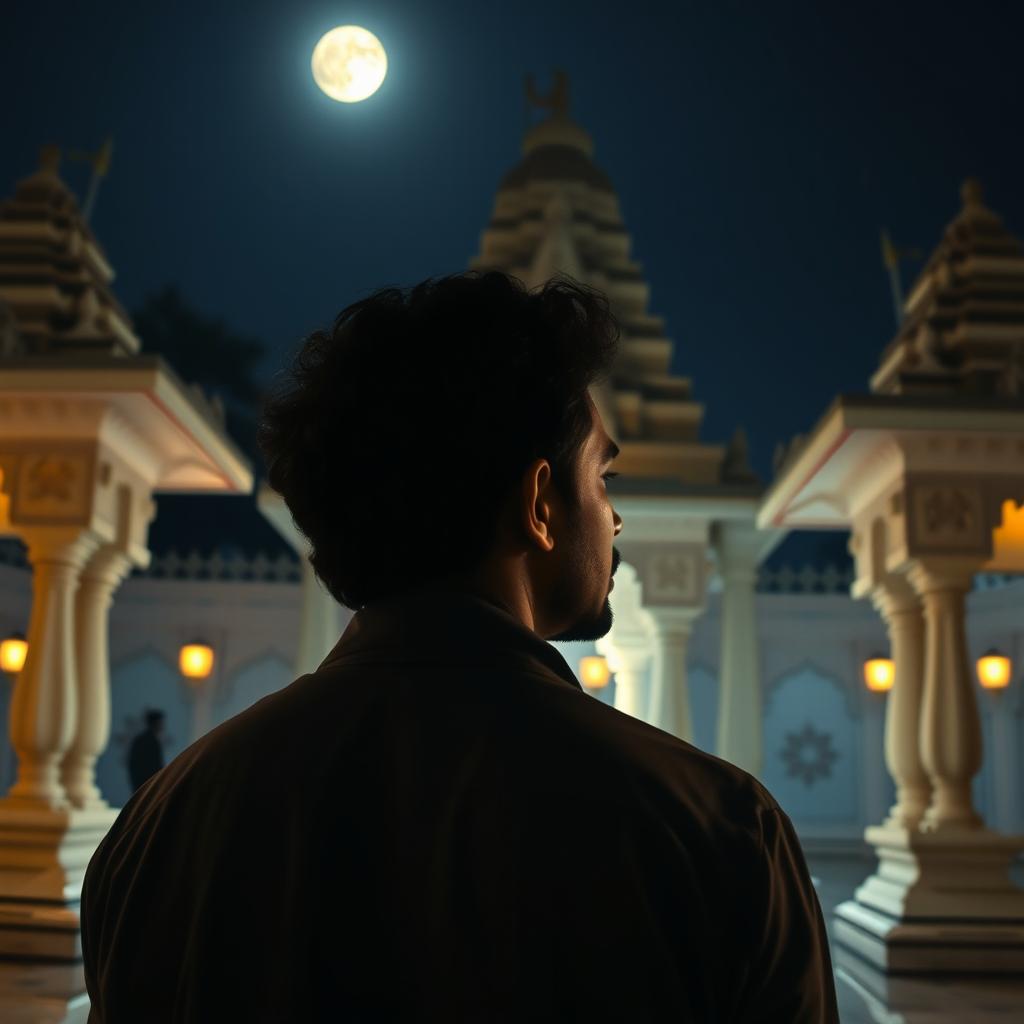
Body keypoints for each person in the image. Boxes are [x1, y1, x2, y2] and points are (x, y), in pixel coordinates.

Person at [81, 272, 838, 1022]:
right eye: (602, 478)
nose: (614, 521)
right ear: (541, 504)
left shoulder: (156, 830)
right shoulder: (712, 829)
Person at [126, 709, 165, 792]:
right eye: (161, 723)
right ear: (156, 723)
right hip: (147, 785)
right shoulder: (151, 741)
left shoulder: (141, 739)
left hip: (143, 784)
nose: (162, 726)